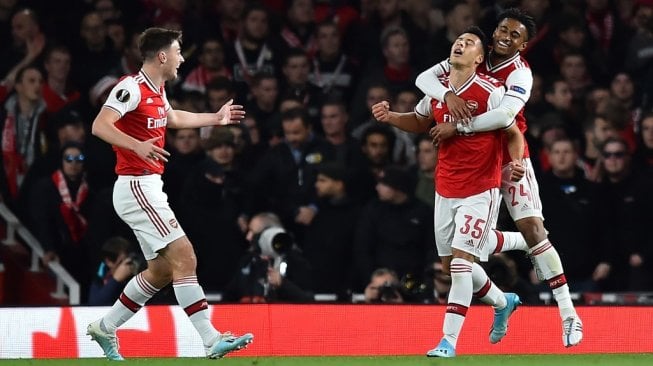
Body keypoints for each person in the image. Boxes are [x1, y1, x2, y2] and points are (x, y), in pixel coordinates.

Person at [415, 8, 584, 347]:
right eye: (503, 29)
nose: (506, 37)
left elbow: (505, 115)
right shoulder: (472, 53)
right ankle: (504, 292)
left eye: (515, 35)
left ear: (523, 45)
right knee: (455, 258)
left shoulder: (520, 73)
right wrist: (446, 95)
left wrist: (456, 126)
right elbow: (424, 80)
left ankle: (569, 314)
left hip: (510, 157)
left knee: (534, 229)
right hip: (473, 162)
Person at [86, 27, 253, 361]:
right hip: (136, 185)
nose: (182, 57)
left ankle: (105, 327)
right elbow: (100, 125)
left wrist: (216, 118)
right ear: (162, 55)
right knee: (185, 255)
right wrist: (137, 145)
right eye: (178, 50)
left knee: (161, 271)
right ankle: (211, 339)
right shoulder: (130, 87)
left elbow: (171, 117)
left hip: (147, 186)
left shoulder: (155, 89)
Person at [373, 26, 526, 357]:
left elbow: (512, 131)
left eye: (470, 43)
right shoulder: (438, 90)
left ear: (479, 57)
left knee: (459, 266)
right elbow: (419, 121)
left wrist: (516, 164)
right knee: (451, 265)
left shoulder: (491, 91)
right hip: (446, 188)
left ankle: (448, 341)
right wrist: (390, 118)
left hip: (480, 189)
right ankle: (502, 301)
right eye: (459, 40)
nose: (461, 44)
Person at [88, 236, 140, 306]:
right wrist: (115, 280)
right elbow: (95, 304)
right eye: (121, 261)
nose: (126, 266)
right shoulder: (101, 276)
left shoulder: (138, 274)